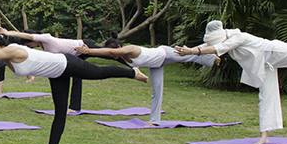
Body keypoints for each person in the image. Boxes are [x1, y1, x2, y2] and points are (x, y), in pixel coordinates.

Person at [0, 30, 148, 144]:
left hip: (68, 64)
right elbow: (20, 63)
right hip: (57, 74)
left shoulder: (11, 50)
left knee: (100, 73)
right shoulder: (7, 55)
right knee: (60, 112)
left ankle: (132, 72)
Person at [175, 20, 287, 144]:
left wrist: (192, 51)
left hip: (275, 52)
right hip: (264, 65)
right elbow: (206, 47)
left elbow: (217, 48)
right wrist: (186, 52)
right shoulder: (221, 39)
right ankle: (265, 135)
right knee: (266, 96)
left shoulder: (238, 37)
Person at [76, 34, 220, 125]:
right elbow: (112, 54)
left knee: (187, 55)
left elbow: (111, 52)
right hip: (156, 65)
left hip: (164, 53)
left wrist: (88, 51)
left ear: (120, 47)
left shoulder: (130, 49)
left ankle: (212, 56)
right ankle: (154, 121)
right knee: (157, 90)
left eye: (116, 52)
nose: (114, 56)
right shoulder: (122, 57)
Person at [0, 27, 107, 114]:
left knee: (110, 54)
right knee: (77, 79)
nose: (31, 47)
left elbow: (27, 35)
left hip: (83, 46)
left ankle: (124, 55)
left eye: (30, 44)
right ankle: (74, 107)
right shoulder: (43, 46)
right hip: (75, 57)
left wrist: (8, 33)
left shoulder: (45, 38)